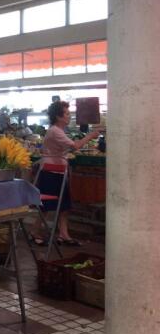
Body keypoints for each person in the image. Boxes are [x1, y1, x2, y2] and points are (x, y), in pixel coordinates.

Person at [35, 100, 101, 246]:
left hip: (59, 171)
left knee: (64, 206)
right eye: (66, 113)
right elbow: (76, 146)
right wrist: (90, 136)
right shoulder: (55, 131)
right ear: (58, 117)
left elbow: (67, 147)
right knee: (45, 206)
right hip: (51, 172)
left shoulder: (58, 131)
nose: (69, 116)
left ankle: (63, 234)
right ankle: (35, 232)